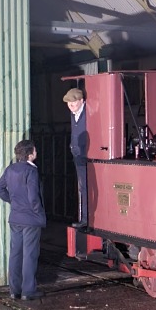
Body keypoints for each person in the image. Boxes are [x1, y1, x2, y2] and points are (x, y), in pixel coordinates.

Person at [0, 139, 46, 301]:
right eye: (35, 151)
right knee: (29, 255)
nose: (36, 153)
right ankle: (28, 291)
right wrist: (38, 211)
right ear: (30, 155)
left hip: (15, 217)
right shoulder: (31, 171)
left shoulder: (11, 169)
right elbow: (33, 196)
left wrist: (13, 201)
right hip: (30, 219)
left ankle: (14, 290)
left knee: (15, 254)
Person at [63, 88, 88, 228]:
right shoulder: (74, 113)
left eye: (73, 102)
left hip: (86, 156)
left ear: (81, 101)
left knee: (86, 187)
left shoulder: (88, 113)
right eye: (68, 103)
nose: (70, 105)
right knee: (82, 187)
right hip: (78, 156)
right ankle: (84, 217)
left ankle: (86, 219)